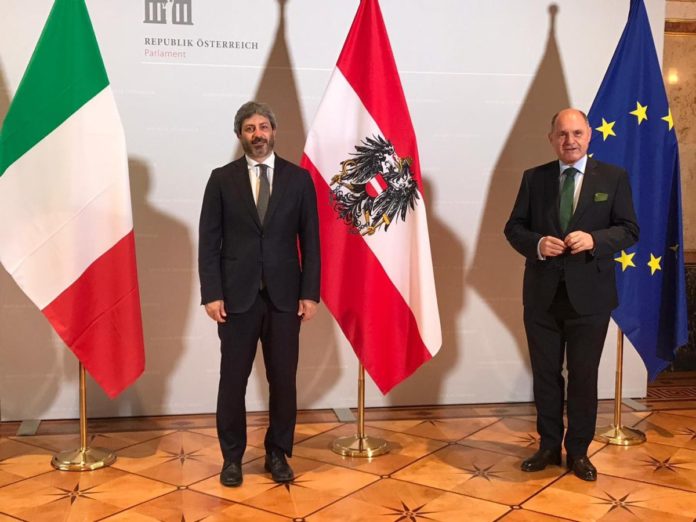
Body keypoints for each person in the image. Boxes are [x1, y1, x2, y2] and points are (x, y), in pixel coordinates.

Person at [504, 108, 638, 481]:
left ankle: (578, 451)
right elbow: (513, 227)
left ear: (589, 135)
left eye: (577, 133)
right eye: (562, 134)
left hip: (591, 299)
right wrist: (537, 243)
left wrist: (595, 239)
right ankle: (548, 446)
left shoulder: (613, 177)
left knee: (583, 376)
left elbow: (629, 229)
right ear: (552, 139)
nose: (570, 140)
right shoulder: (534, 178)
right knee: (546, 375)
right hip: (542, 297)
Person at [198, 101, 320, 487]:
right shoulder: (221, 179)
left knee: (283, 380)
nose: (258, 134)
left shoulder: (299, 180)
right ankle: (232, 458)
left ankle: (277, 453)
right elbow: (208, 242)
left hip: (285, 299)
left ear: (274, 131)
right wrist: (211, 293)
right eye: (249, 128)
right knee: (232, 381)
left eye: (263, 126)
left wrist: (310, 293)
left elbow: (311, 242)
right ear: (240, 135)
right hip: (236, 299)